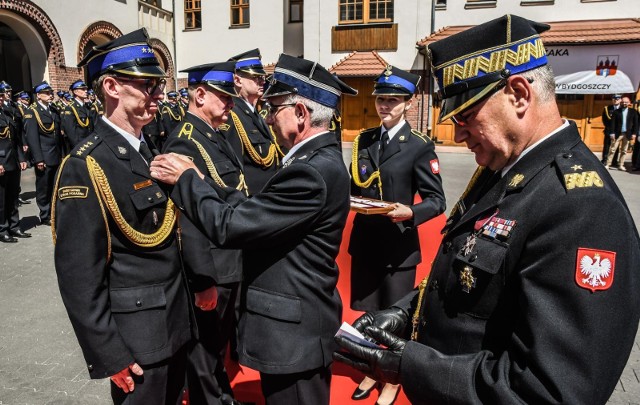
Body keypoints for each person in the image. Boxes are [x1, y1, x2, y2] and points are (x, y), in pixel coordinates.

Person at [334, 14, 640, 405]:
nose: (458, 133)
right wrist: (407, 312)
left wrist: (405, 365)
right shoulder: (509, 169)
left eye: (465, 115)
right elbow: (474, 288)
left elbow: (550, 391)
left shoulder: (581, 208)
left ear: (518, 93)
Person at [150, 53, 357, 405]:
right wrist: (203, 182)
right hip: (297, 329)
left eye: (275, 108)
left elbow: (231, 225)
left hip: (293, 336)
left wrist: (186, 179)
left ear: (302, 114)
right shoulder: (318, 161)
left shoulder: (310, 172)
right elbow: (254, 208)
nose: (269, 117)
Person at [52, 28, 192, 405]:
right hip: (138, 344)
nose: (158, 95)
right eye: (148, 85)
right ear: (112, 87)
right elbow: (79, 273)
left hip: (176, 323)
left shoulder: (147, 150)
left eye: (158, 85)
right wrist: (108, 352)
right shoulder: (86, 166)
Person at [347, 65, 446, 405]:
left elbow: (437, 201)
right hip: (367, 243)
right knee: (371, 314)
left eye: (392, 99)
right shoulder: (365, 139)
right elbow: (355, 185)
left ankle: (392, 378)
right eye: (380, 99)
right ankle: (373, 368)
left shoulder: (418, 146)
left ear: (408, 102)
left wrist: (411, 213)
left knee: (394, 318)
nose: (384, 106)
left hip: (398, 246)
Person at [162, 61, 247, 405]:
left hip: (229, 259)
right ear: (199, 94)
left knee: (217, 345)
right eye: (223, 97)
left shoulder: (214, 135)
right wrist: (202, 279)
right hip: (211, 267)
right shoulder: (184, 143)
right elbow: (187, 217)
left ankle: (222, 397)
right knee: (204, 350)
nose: (230, 104)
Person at [220, 48, 282, 196]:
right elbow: (234, 168)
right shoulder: (232, 115)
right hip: (252, 198)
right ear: (237, 80)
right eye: (256, 77)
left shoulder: (255, 113)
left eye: (262, 77)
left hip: (267, 194)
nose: (262, 81)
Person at [24, 81, 63, 226]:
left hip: (55, 154)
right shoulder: (32, 112)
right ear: (38, 96)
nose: (50, 95)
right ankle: (45, 214)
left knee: (54, 186)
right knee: (43, 187)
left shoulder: (53, 110)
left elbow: (58, 136)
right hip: (44, 157)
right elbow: (32, 138)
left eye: (50, 92)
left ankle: (54, 212)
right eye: (46, 93)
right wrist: (38, 159)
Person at [0, 88, 29, 243]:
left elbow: (15, 139)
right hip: (1, 164)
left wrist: (21, 158)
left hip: (13, 162)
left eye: (0, 95)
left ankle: (14, 226)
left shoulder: (6, 113)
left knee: (12, 197)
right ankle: (2, 229)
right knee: (2, 200)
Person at [604, 95, 638, 171]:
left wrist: (634, 133)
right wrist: (612, 133)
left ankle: (621, 165)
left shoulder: (633, 112)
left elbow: (636, 123)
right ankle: (608, 164)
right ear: (621, 103)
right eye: (623, 102)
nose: (624, 103)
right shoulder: (616, 112)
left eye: (626, 102)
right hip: (617, 134)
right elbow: (612, 123)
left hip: (627, 133)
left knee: (624, 150)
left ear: (629, 103)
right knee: (612, 149)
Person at [62, 79, 94, 148]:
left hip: (90, 141)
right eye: (83, 89)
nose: (86, 91)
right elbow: (70, 131)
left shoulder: (87, 106)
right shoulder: (70, 108)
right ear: (75, 92)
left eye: (86, 89)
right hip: (79, 143)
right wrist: (78, 146)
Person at [601, 94, 621, 164]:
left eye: (617, 99)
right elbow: (604, 120)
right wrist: (609, 129)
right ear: (612, 100)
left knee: (616, 146)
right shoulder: (607, 108)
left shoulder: (622, 108)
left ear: (620, 100)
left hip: (618, 131)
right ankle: (604, 159)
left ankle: (614, 161)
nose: (616, 100)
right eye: (614, 99)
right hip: (609, 130)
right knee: (607, 145)